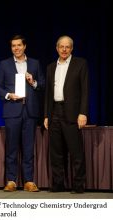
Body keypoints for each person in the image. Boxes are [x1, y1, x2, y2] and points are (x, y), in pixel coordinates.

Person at [0, 35, 45, 192]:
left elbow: (42, 85)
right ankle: (11, 180)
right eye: (13, 46)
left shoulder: (35, 64)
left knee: (29, 148)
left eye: (18, 45)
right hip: (12, 110)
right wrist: (9, 95)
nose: (16, 48)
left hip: (29, 112)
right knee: (12, 148)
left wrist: (33, 82)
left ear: (24, 46)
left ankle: (29, 181)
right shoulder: (4, 64)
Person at [44, 35, 89, 194]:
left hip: (72, 112)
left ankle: (78, 185)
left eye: (67, 47)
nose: (64, 49)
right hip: (54, 111)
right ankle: (58, 184)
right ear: (57, 48)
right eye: (61, 47)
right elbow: (48, 94)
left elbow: (85, 91)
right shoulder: (50, 67)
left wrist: (83, 112)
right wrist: (46, 115)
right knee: (56, 152)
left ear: (71, 49)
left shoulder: (80, 64)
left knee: (76, 152)